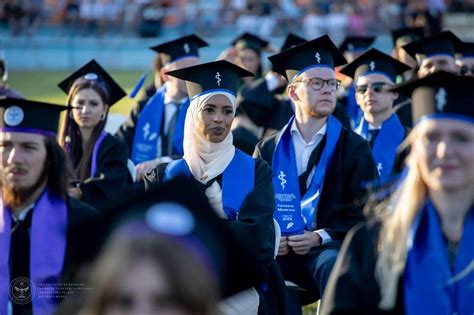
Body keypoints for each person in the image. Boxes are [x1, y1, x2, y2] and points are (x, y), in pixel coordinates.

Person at [320, 71, 474, 315]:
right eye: (431, 137)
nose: (444, 151)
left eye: (461, 138)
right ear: (414, 148)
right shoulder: (372, 243)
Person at [144, 60, 283, 314]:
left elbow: (259, 244)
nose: (219, 119)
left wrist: (189, 229)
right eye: (209, 110)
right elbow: (147, 244)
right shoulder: (162, 177)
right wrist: (227, 229)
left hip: (234, 288)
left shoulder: (256, 172)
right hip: (172, 289)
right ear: (193, 112)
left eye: (227, 111)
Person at [254, 34, 378, 310]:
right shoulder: (267, 149)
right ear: (293, 92)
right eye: (316, 83)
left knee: (334, 264)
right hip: (279, 250)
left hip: (326, 249)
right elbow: (255, 210)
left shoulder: (353, 147)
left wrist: (318, 236)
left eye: (332, 83)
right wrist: (273, 237)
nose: (328, 90)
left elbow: (368, 214)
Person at [0, 98, 102, 315]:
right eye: (5, 146)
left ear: (50, 158)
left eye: (28, 147)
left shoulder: (84, 225)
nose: (13, 158)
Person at [116, 34, 208, 180]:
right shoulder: (144, 107)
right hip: (145, 186)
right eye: (185, 69)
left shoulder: (206, 109)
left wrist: (162, 163)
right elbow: (119, 145)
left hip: (190, 185)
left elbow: (206, 153)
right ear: (165, 75)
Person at [57, 59, 129, 211]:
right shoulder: (60, 147)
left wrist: (78, 192)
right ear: (70, 108)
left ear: (104, 109)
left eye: (93, 104)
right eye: (80, 103)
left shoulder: (115, 148)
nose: (85, 110)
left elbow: (108, 190)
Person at [339, 48, 411, 181]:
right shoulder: (344, 143)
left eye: (378, 87)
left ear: (395, 93)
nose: (369, 93)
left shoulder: (410, 141)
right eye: (362, 89)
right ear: (356, 97)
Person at [336, 36, 376, 128]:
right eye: (354, 54)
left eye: (361, 54)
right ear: (345, 56)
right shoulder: (338, 82)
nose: (358, 58)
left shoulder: (376, 78)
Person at [390, 27, 425, 128]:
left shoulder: (426, 80)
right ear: (397, 53)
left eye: (413, 49)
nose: (409, 54)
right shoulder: (390, 82)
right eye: (404, 50)